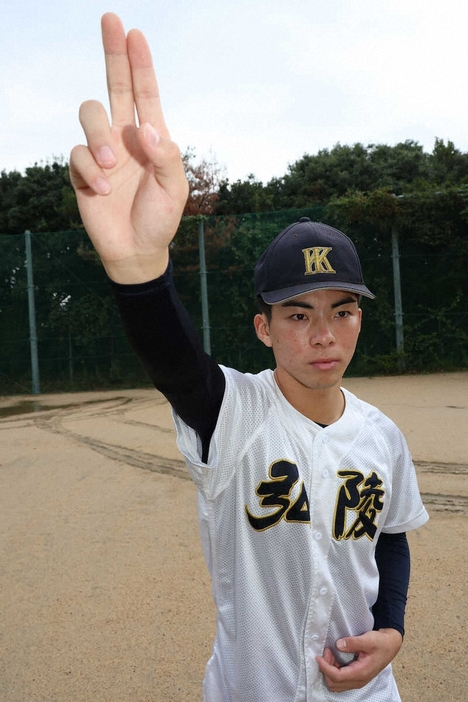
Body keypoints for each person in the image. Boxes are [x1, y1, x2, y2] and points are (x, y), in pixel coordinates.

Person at [69, 13, 428, 702]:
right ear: (263, 328)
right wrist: (142, 272)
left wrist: (394, 628)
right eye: (298, 314)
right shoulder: (232, 415)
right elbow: (176, 365)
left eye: (342, 310)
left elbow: (390, 537)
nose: (323, 334)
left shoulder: (382, 436)